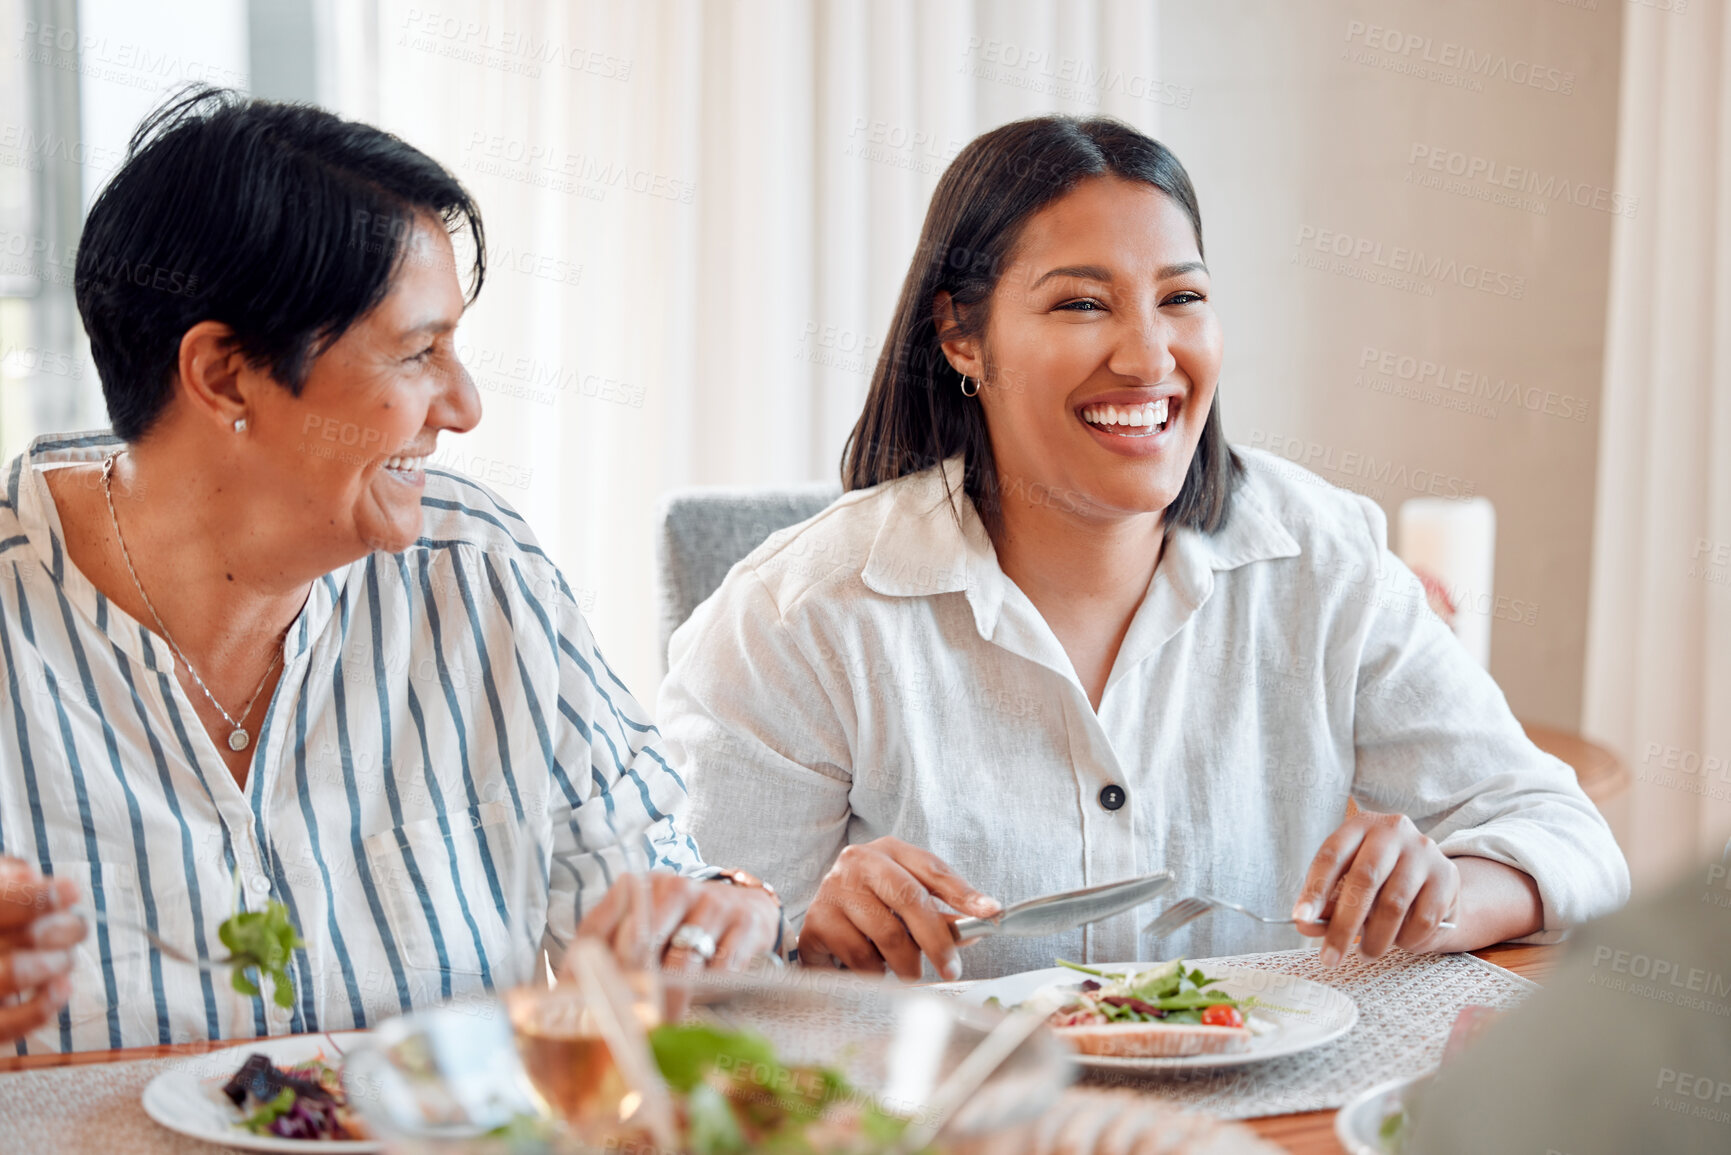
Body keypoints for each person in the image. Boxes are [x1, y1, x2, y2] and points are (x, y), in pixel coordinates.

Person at [659, 116, 1628, 983]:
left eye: (1181, 298)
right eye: (1083, 305)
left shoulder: (1319, 557)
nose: (1148, 355)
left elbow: (1571, 841)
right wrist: (806, 944)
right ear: (960, 333)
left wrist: (1440, 896)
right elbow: (682, 974)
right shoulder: (797, 617)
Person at [0, 88, 778, 1053]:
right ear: (224, 375)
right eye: (419, 353)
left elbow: (657, 893)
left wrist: (715, 917)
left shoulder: (485, 577)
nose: (464, 405)